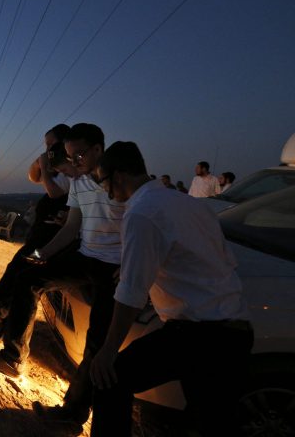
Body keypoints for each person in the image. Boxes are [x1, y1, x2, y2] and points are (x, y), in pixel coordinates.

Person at [89, 142, 253, 436]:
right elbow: (217, 260)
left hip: (198, 336)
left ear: (119, 174)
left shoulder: (141, 213)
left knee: (109, 379)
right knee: (212, 423)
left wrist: (108, 350)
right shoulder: (190, 204)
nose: (106, 191)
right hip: (235, 334)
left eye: (103, 182)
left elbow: (131, 293)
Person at [0, 123, 124, 434]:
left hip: (114, 266)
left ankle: (74, 412)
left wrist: (131, 262)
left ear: (99, 149)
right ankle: (14, 357)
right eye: (70, 156)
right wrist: (41, 257)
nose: (74, 162)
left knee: (98, 340)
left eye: (79, 155)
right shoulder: (81, 181)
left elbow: (138, 223)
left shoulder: (119, 181)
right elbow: (71, 227)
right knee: (28, 277)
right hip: (86, 256)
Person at [0, 139, 75, 338]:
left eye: (50, 144)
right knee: (18, 271)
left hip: (57, 242)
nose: (46, 148)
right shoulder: (69, 175)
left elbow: (57, 196)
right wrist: (41, 163)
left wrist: (45, 251)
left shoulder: (76, 178)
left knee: (24, 278)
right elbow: (34, 177)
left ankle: (0, 329)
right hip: (46, 238)